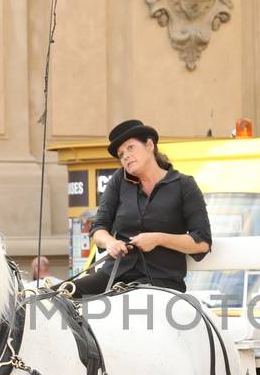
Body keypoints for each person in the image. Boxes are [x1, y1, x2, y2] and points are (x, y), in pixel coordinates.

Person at [72, 119, 212, 297]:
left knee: (128, 302)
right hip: (114, 275)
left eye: (130, 148)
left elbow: (202, 243)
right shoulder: (118, 181)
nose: (126, 157)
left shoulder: (184, 185)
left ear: (149, 145)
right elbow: (99, 228)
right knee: (60, 296)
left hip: (161, 280)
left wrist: (157, 239)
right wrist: (110, 242)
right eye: (121, 154)